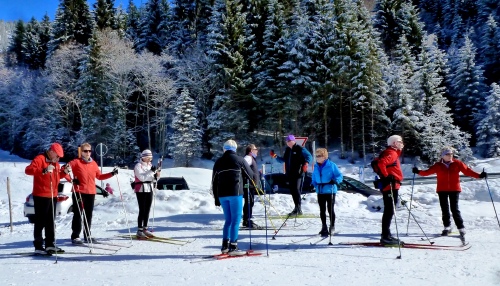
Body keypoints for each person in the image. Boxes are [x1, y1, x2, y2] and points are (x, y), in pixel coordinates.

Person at [412, 146, 486, 241]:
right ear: (443, 156)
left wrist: (479, 175)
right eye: (448, 154)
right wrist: (418, 171)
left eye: (451, 154)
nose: (450, 156)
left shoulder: (457, 163)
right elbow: (427, 172)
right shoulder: (438, 165)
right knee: (445, 209)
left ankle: (461, 228)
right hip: (442, 189)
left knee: (454, 209)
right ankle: (447, 227)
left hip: (454, 189)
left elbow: (467, 171)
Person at [67, 142, 118, 244]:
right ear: (81, 152)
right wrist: (71, 180)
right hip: (79, 191)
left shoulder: (93, 163)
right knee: (78, 214)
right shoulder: (76, 162)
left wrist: (111, 174)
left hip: (91, 192)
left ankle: (87, 234)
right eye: (85, 151)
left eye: (90, 151)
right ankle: (75, 236)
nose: (88, 153)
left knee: (88, 214)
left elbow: (99, 176)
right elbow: (64, 170)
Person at [25, 143, 70, 254]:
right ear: (52, 152)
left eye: (59, 157)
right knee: (40, 221)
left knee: (50, 220)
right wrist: (43, 170)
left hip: (52, 194)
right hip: (40, 194)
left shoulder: (56, 164)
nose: (58, 159)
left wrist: (64, 173)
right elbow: (28, 170)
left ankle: (50, 244)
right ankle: (38, 246)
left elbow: (56, 177)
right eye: (57, 156)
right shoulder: (40, 158)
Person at [212, 140, 254, 256]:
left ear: (224, 149)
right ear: (235, 149)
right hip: (235, 193)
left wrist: (216, 197)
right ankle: (233, 246)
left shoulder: (218, 162)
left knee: (228, 221)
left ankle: (224, 245)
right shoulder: (240, 160)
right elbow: (250, 174)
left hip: (222, 195)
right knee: (236, 220)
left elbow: (214, 180)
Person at [270, 134, 313, 215]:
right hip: (290, 174)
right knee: (293, 190)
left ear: (294, 141)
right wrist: (275, 156)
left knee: (296, 190)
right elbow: (282, 160)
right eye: (287, 141)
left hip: (298, 173)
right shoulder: (288, 150)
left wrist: (306, 164)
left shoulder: (300, 148)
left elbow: (309, 156)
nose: (288, 143)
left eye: (289, 141)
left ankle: (298, 209)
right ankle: (296, 208)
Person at [376, 135, 404, 245]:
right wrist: (387, 176)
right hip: (390, 186)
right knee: (389, 211)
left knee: (389, 210)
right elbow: (381, 163)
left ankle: (386, 235)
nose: (402, 143)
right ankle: (386, 236)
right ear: (394, 143)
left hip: (392, 185)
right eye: (399, 141)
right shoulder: (391, 153)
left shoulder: (393, 153)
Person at [311, 148, 343, 237]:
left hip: (330, 190)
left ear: (324, 157)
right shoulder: (316, 166)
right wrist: (313, 184)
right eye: (316, 156)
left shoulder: (331, 165)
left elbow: (339, 175)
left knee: (330, 209)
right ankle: (324, 227)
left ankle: (332, 226)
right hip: (320, 190)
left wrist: (336, 180)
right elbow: (314, 177)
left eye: (319, 156)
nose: (317, 157)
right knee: (322, 210)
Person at [133, 149, 161, 239]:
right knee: (142, 209)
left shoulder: (150, 166)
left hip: (150, 188)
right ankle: (139, 230)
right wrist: (151, 172)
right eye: (148, 158)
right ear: (143, 157)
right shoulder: (138, 166)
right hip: (141, 188)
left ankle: (145, 228)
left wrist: (157, 176)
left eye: (150, 158)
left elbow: (153, 179)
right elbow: (142, 178)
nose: (149, 159)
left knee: (147, 209)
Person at [242, 144, 262, 229]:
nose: (257, 151)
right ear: (251, 151)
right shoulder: (248, 158)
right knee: (249, 201)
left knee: (250, 201)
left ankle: (247, 218)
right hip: (249, 184)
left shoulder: (252, 159)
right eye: (255, 149)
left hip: (251, 184)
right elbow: (242, 165)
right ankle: (247, 219)